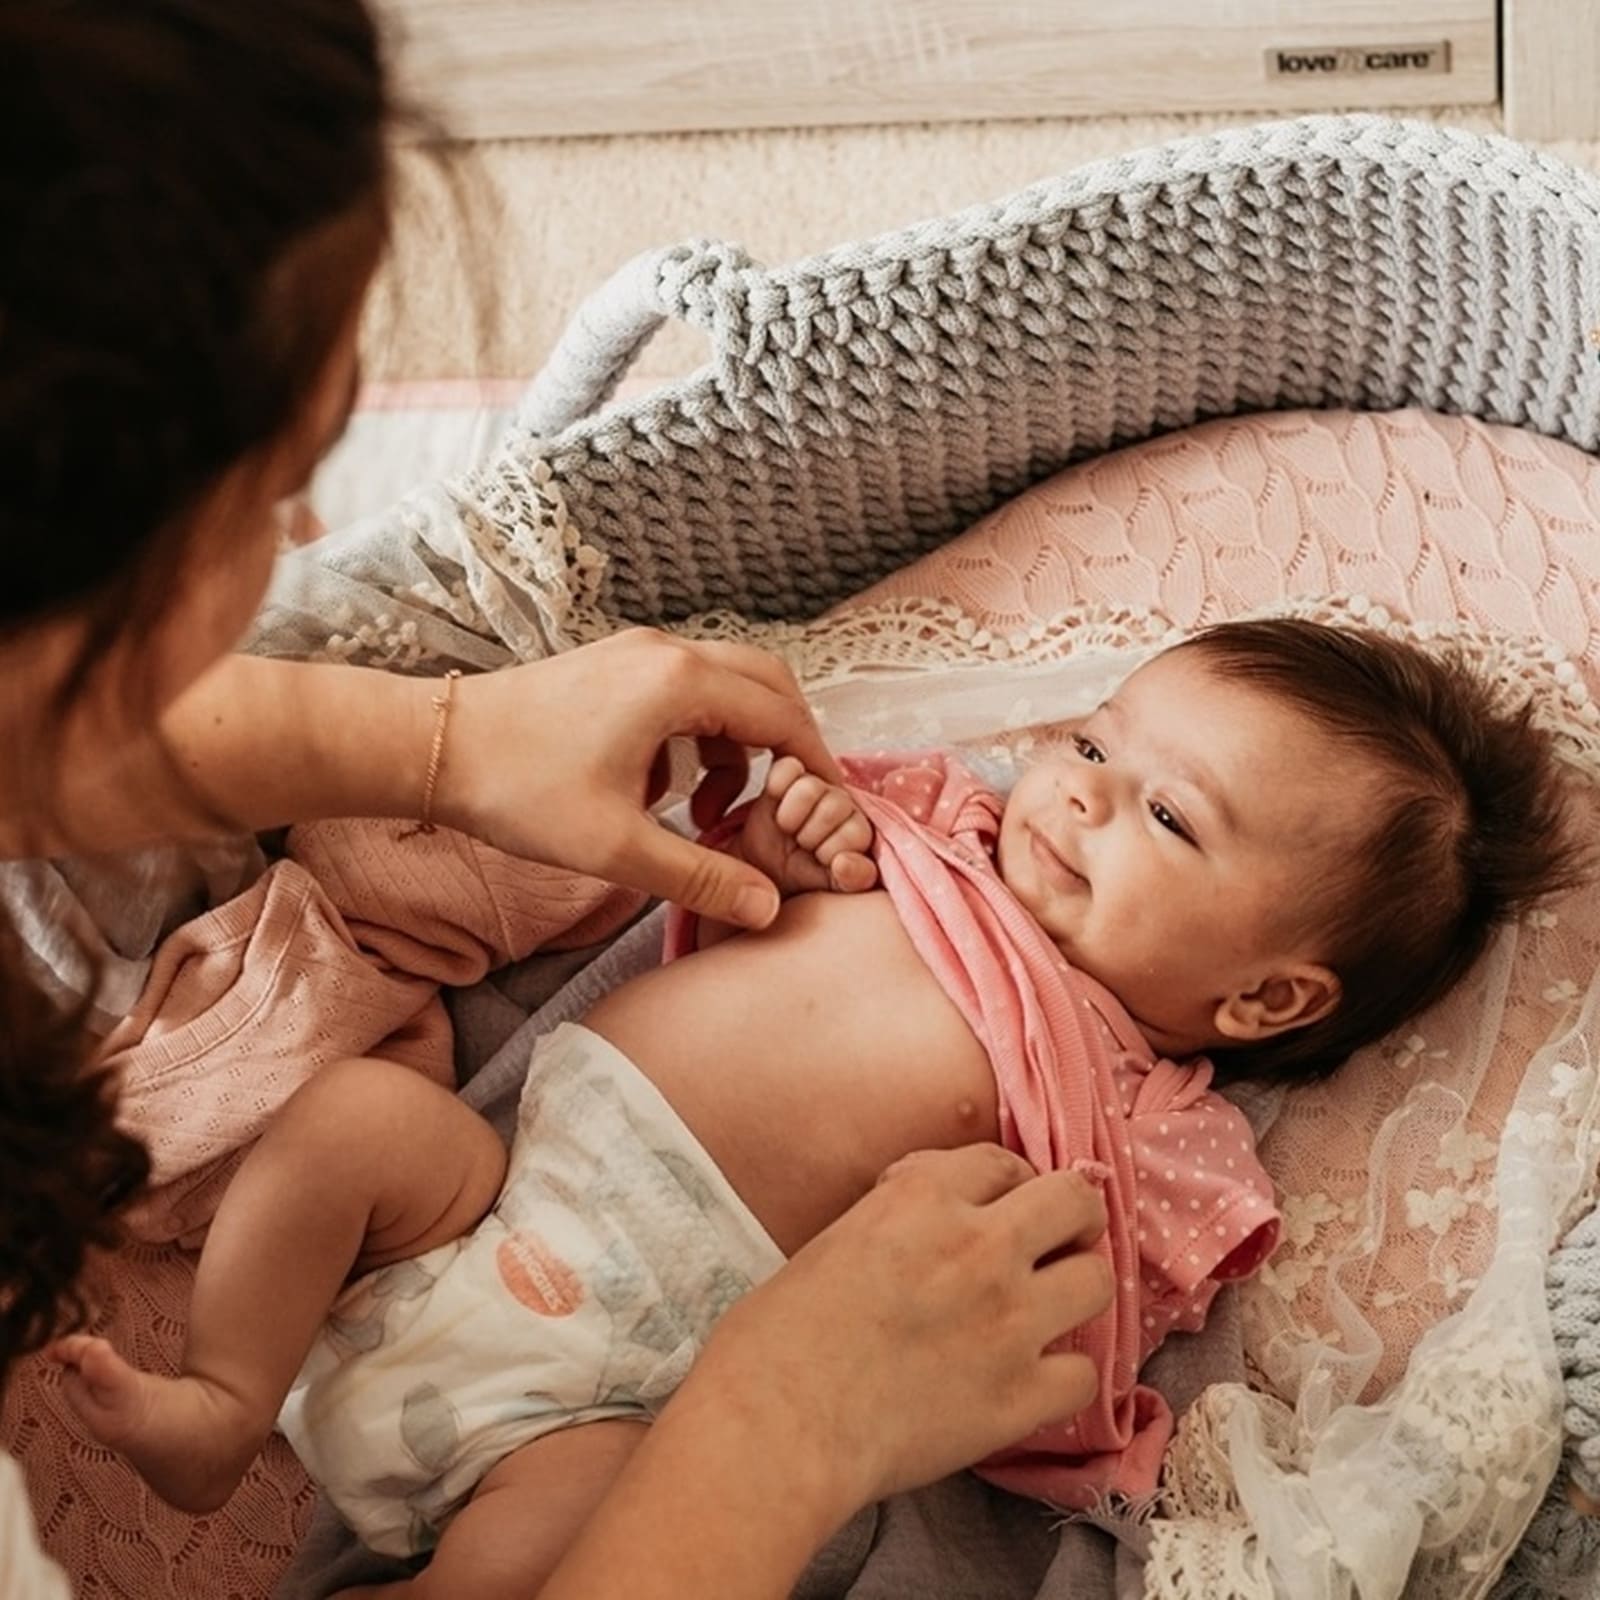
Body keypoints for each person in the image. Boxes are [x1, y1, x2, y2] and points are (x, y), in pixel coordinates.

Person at [0, 2, 1116, 1595]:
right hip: (547, 1257)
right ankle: (228, 1401)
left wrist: (443, 746)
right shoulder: (958, 831)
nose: (310, 524)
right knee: (358, 1132)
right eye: (259, 491)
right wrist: (782, 1428)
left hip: (566, 1373)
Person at [49, 618, 1583, 1595]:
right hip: (482, 1206)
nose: (1080, 791)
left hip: (595, 1407)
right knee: (350, 1129)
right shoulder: (922, 835)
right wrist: (789, 838)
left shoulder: (1151, 1124)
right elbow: (713, 887)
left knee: (544, 1543)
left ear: (1264, 1001)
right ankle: (225, 1401)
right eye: (1096, 738)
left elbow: (1079, 1328)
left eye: (1168, 817)